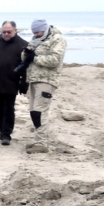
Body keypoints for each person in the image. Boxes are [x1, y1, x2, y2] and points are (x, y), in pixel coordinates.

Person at [21, 19, 67, 154]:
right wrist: (26, 53)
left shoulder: (57, 40)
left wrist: (34, 58)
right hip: (34, 79)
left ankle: (41, 143)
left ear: (45, 29)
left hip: (47, 80)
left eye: (38, 32)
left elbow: (55, 60)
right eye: (33, 32)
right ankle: (38, 140)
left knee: (40, 112)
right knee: (33, 112)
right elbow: (25, 57)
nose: (35, 35)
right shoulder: (35, 40)